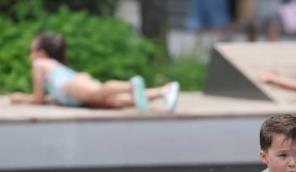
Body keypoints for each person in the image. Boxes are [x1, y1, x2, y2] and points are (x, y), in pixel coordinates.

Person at [9, 32, 180, 112]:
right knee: (117, 102)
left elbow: (37, 99)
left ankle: (131, 85)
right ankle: (164, 91)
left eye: (31, 50)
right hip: (76, 92)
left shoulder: (40, 63)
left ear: (41, 53)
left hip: (74, 85)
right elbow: (46, 98)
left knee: (100, 90)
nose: (30, 54)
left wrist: (20, 98)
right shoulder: (51, 65)